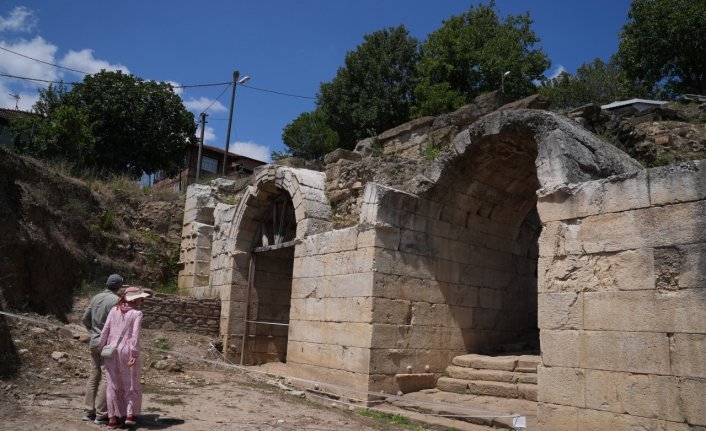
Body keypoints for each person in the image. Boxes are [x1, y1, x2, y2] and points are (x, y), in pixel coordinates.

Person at [99, 286, 151, 429]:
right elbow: (135, 335)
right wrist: (134, 353)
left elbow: (105, 331)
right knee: (130, 383)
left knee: (112, 385)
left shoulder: (114, 310)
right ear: (135, 298)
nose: (142, 299)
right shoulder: (137, 313)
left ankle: (112, 419)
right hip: (127, 350)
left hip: (111, 350)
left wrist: (101, 348)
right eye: (141, 297)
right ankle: (129, 415)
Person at [81, 274, 124, 424]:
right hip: (108, 345)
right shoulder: (116, 301)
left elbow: (85, 318)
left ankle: (88, 412)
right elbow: (119, 324)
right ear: (119, 286)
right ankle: (101, 414)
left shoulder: (95, 297)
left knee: (94, 376)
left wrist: (93, 332)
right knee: (106, 377)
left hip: (94, 342)